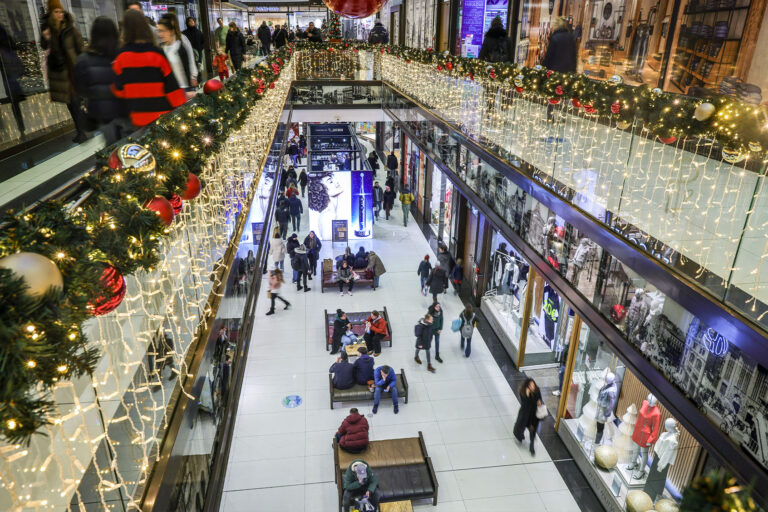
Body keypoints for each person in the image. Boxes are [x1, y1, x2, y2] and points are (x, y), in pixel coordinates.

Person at [112, 10, 186, 127]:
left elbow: (118, 90)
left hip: (136, 120)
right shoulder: (157, 53)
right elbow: (172, 87)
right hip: (162, 118)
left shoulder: (120, 57)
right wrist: (182, 110)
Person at [73, 16, 126, 145]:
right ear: (115, 32)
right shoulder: (123, 54)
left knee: (112, 148)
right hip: (125, 111)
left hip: (102, 114)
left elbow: (80, 89)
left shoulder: (84, 60)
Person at [42, 0, 87, 142]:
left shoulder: (70, 29)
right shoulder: (49, 30)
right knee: (70, 103)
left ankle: (82, 131)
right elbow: (44, 46)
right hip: (60, 72)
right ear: (51, 14)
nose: (60, 14)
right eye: (56, 12)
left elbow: (80, 48)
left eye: (61, 11)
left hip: (73, 71)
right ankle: (81, 129)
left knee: (75, 101)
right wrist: (47, 38)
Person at [157, 14, 198, 91]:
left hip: (184, 84)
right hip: (170, 86)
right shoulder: (161, 43)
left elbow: (190, 57)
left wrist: (193, 76)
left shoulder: (182, 38)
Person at [0, 25, 26, 137]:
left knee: (14, 103)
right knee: (15, 104)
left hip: (6, 76)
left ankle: (19, 128)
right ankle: (21, 128)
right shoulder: (6, 39)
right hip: (9, 77)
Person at [513, 377, 543, 455]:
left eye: (533, 385)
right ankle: (520, 436)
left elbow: (540, 399)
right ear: (527, 386)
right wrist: (527, 394)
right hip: (524, 414)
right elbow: (525, 404)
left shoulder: (537, 390)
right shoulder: (522, 391)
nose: (533, 387)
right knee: (519, 428)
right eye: (531, 385)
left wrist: (540, 402)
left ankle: (531, 446)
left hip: (533, 415)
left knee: (532, 430)